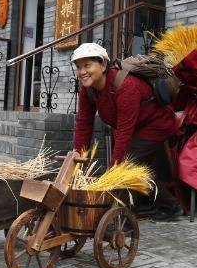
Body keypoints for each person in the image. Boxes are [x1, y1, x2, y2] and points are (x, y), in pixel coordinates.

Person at [72, 42, 182, 221]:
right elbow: (84, 122)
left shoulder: (126, 86)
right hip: (133, 126)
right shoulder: (87, 89)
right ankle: (149, 204)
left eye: (87, 65)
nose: (82, 71)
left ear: (103, 65)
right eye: (78, 67)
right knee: (133, 164)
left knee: (128, 164)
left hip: (155, 124)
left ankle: (164, 206)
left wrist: (113, 171)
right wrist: (78, 155)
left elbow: (124, 131)